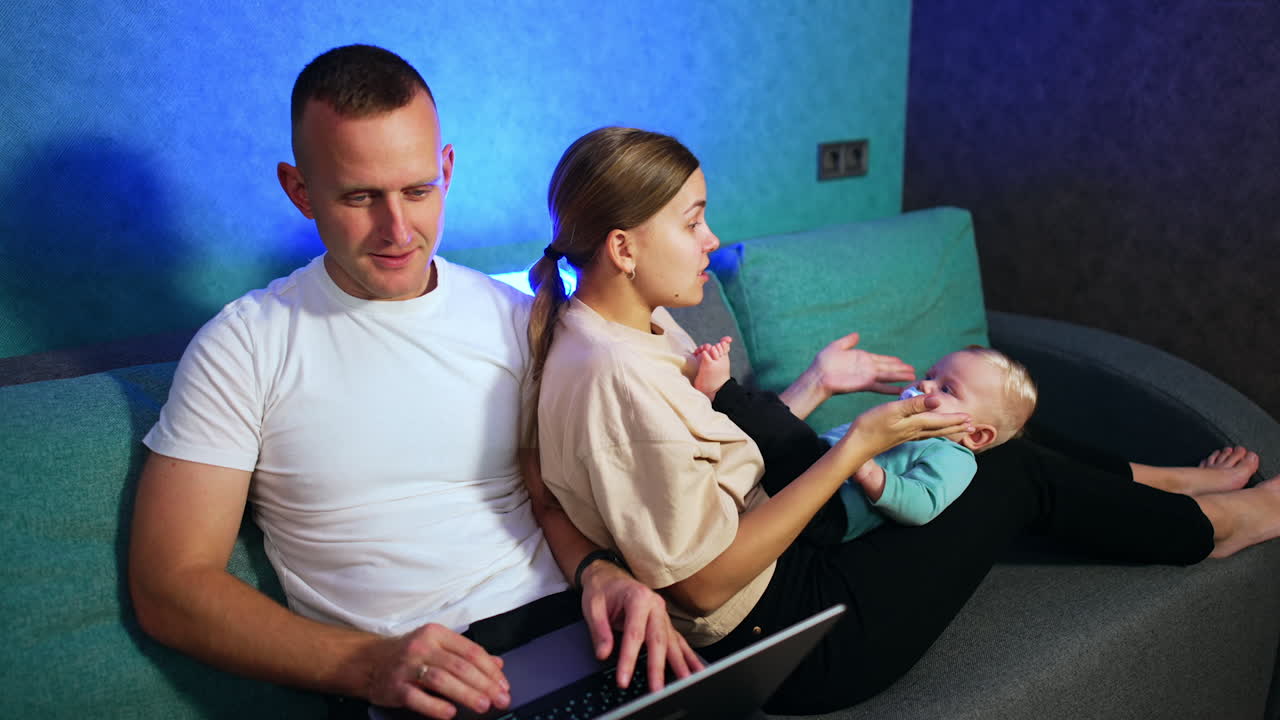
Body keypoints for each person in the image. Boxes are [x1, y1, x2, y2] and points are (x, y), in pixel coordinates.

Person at [527, 126, 1280, 714]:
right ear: (623, 246)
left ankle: (1166, 484)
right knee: (1000, 456)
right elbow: (701, 587)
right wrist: (857, 443)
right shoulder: (614, 378)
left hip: (786, 571)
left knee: (977, 411)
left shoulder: (632, 325)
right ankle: (1216, 527)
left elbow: (710, 461)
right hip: (788, 639)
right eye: (693, 223)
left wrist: (818, 385)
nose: (712, 240)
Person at [127, 46, 703, 720]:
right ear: (300, 191)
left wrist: (603, 574)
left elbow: (557, 494)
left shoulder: (517, 317)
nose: (398, 230)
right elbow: (169, 586)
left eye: (418, 190)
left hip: (570, 632)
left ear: (448, 170)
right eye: (360, 196)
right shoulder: (244, 345)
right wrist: (365, 665)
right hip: (404, 677)